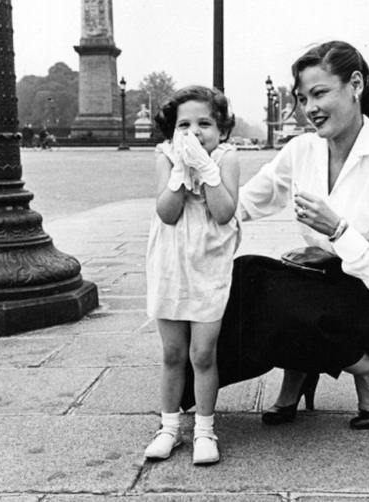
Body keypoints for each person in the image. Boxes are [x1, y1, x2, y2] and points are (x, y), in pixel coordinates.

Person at [180, 41, 369, 431]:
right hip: (320, 284)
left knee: (283, 305)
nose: (310, 108)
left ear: (355, 84)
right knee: (243, 277)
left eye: (320, 93)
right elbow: (242, 204)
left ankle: (368, 365)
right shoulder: (302, 151)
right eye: (302, 98)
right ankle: (194, 387)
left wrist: (339, 231)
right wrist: (196, 208)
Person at [145, 85, 240, 464]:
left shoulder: (227, 157)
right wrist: (181, 171)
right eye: (184, 124)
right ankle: (169, 427)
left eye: (204, 123)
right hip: (170, 262)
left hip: (208, 262)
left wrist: (205, 168)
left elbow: (223, 212)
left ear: (221, 129)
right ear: (172, 131)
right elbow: (167, 213)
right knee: (172, 351)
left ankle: (204, 429)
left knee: (202, 353)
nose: (194, 131)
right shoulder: (165, 156)